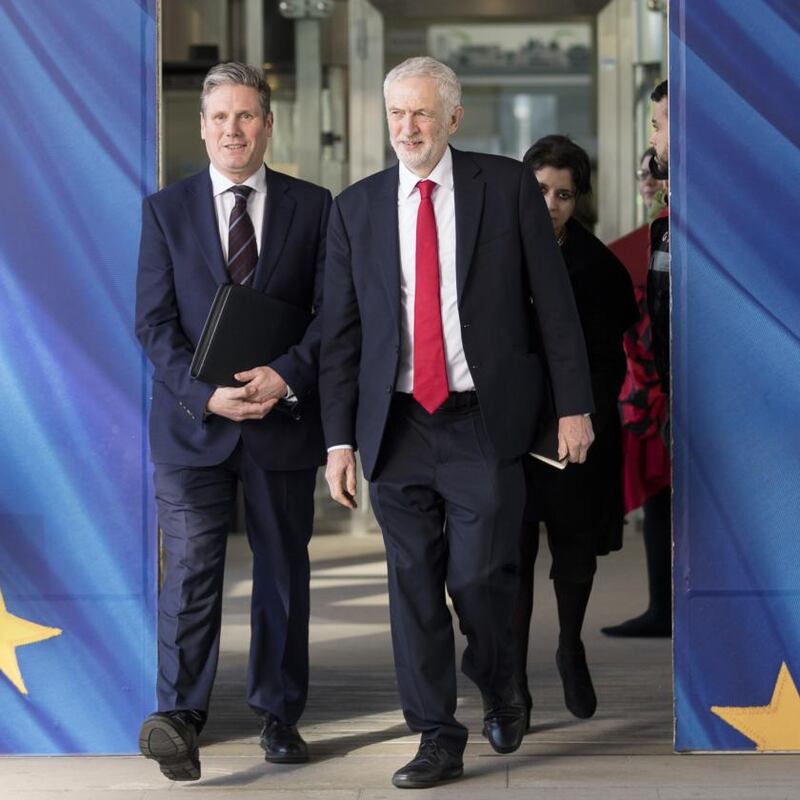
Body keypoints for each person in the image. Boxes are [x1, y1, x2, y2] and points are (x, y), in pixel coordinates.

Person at [320, 57, 594, 789]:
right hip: (398, 424)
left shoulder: (504, 187)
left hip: (481, 421)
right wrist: (339, 440)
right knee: (412, 584)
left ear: (452, 118)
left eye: (421, 113)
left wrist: (573, 405)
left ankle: (499, 678)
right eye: (397, 114)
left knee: (480, 577)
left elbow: (553, 304)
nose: (407, 128)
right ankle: (437, 735)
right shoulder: (355, 208)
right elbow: (342, 336)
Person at [134, 62, 331, 781]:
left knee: (282, 574)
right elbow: (153, 326)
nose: (233, 130)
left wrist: (287, 376)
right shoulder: (166, 210)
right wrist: (203, 396)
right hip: (193, 428)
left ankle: (280, 717)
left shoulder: (314, 207)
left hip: (281, 422)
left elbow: (331, 316)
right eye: (220, 118)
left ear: (268, 125)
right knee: (189, 573)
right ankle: (180, 719)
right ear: (202, 126)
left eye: (247, 116)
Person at [511, 135, 638, 722]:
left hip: (575, 429)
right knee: (507, 555)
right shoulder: (495, 251)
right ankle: (510, 670)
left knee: (574, 550)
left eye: (563, 194)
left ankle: (569, 645)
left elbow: (611, 360)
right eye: (540, 190)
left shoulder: (597, 266)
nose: (551, 204)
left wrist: (581, 415)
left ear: (578, 199)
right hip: (510, 429)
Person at [603, 135, 672, 639]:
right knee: (660, 503)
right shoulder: (634, 247)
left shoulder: (659, 240)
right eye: (644, 172)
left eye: (657, 171)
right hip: (647, 391)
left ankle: (668, 608)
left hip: (674, 386)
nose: (649, 181)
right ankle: (662, 606)